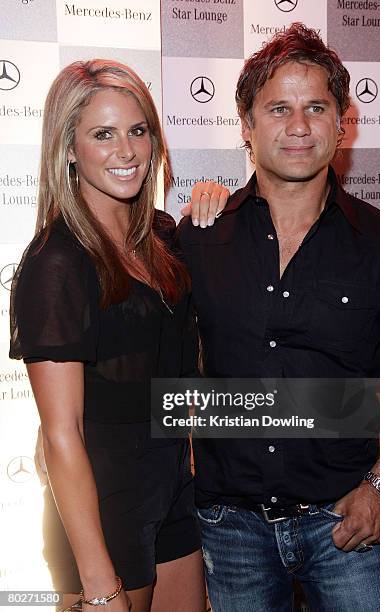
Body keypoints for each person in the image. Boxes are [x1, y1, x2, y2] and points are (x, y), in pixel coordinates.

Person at [177, 23, 380, 611]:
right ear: (247, 127)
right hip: (230, 531)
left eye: (315, 107)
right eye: (277, 108)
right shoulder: (199, 239)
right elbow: (165, 369)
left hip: (346, 524)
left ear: (341, 123)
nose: (298, 126)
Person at [9, 59, 217, 612]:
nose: (126, 151)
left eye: (138, 130)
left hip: (172, 486)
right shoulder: (58, 262)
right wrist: (100, 584)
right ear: (69, 147)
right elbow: (61, 433)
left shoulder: (164, 240)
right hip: (101, 504)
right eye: (103, 134)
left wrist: (214, 202)